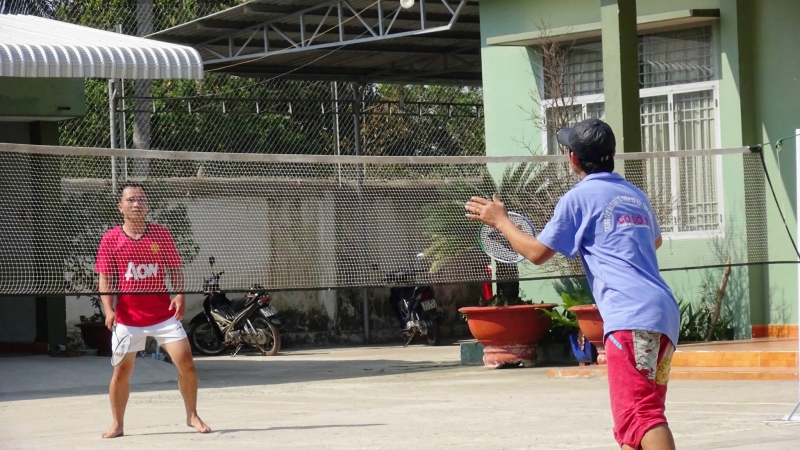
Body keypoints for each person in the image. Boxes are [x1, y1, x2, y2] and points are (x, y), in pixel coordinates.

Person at [465, 119, 680, 450]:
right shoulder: (634, 195)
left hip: (630, 316)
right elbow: (655, 242)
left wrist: (500, 221)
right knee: (630, 422)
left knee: (643, 416)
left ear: (573, 159)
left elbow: (537, 253)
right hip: (663, 316)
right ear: (611, 155)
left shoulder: (579, 198)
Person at [95, 181, 210, 438]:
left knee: (187, 364)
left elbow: (175, 270)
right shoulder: (110, 238)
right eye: (132, 200)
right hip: (127, 318)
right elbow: (105, 278)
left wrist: (180, 294)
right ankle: (117, 424)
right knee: (121, 372)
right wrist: (108, 309)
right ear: (121, 207)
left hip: (163, 316)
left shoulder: (161, 234)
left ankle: (192, 415)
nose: (138, 204)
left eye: (142, 200)